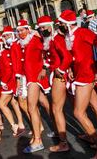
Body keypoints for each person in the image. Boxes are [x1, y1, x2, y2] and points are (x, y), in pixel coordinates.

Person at [58, 10, 97, 159]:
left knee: (78, 113)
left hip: (87, 75)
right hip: (80, 74)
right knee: (95, 108)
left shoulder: (82, 32)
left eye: (61, 23)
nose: (59, 26)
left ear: (67, 23)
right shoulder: (69, 36)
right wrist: (69, 68)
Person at [37, 16, 73, 152]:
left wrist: (61, 69)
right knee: (73, 110)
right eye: (40, 28)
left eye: (44, 27)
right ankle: (92, 138)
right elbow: (49, 57)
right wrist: (45, 67)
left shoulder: (56, 39)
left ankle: (63, 143)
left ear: (50, 26)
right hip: (57, 75)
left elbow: (68, 57)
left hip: (59, 76)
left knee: (56, 109)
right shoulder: (49, 39)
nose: (42, 30)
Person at [16, 19, 51, 154]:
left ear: (28, 29)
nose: (20, 33)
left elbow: (48, 51)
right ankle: (57, 131)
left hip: (35, 79)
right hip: (29, 78)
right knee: (41, 104)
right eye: (18, 31)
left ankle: (38, 140)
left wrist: (44, 68)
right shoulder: (23, 43)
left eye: (22, 30)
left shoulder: (35, 40)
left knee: (31, 107)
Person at [0, 30, 26, 137]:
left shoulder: (3, 53)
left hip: (8, 81)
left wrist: (3, 81)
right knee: (14, 103)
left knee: (3, 105)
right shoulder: (2, 52)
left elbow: (8, 69)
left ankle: (14, 125)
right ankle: (21, 124)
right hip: (10, 80)